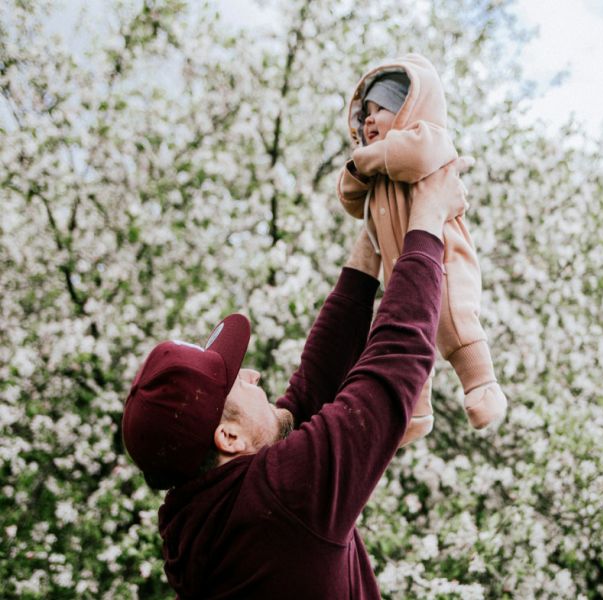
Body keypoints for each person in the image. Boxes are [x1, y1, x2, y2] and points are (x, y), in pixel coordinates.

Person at [121, 158, 471, 599]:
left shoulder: (196, 518)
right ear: (227, 436)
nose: (252, 374)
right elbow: (393, 368)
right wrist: (426, 222)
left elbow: (309, 394)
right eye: (236, 382)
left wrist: (376, 235)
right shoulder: (281, 500)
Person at [336, 53, 507, 446]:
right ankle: (414, 409)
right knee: (404, 335)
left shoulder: (427, 141)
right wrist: (363, 165)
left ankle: (482, 384)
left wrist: (371, 158)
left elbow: (420, 154)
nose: (370, 121)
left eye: (383, 110)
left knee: (453, 320)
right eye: (366, 113)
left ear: (410, 110)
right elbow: (348, 198)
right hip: (402, 269)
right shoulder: (377, 171)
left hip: (444, 258)